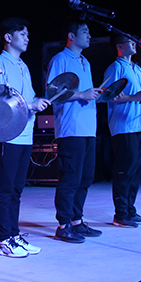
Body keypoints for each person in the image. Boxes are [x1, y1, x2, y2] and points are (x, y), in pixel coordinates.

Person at [0, 18, 51, 257]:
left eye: (27, 34)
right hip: (8, 135)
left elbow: (28, 97)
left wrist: (37, 102)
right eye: (22, 34)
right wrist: (30, 104)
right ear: (8, 37)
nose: (27, 38)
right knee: (5, 189)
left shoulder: (23, 65)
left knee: (17, 189)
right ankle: (4, 240)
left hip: (26, 133)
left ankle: (14, 235)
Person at [46, 19, 102, 243]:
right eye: (85, 32)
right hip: (71, 127)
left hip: (88, 127)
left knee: (85, 177)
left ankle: (77, 221)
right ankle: (63, 224)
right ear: (71, 35)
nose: (89, 35)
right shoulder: (60, 59)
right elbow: (51, 92)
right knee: (70, 178)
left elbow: (87, 93)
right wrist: (81, 94)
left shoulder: (85, 61)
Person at [103, 34, 141, 228]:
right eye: (130, 42)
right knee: (125, 170)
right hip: (123, 126)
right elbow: (107, 95)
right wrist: (134, 97)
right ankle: (121, 213)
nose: (134, 44)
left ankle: (130, 210)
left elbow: (140, 98)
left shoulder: (137, 69)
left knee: (137, 170)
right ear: (120, 46)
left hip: (139, 124)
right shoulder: (115, 68)